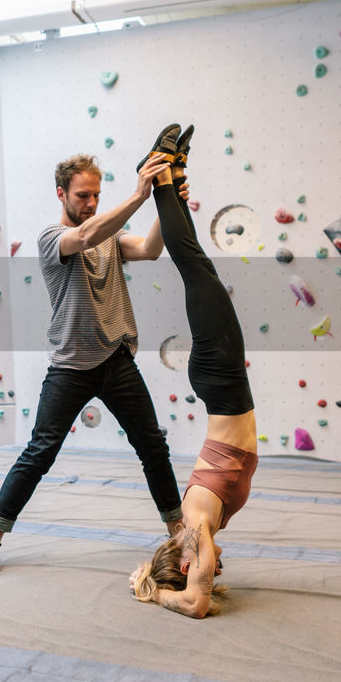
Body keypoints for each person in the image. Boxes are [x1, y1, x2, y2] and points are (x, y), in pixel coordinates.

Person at [0, 130, 193, 581]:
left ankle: (180, 535)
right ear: (62, 194)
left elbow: (148, 249)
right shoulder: (52, 238)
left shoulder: (109, 236)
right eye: (82, 195)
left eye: (96, 195)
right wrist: (138, 195)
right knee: (39, 452)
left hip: (116, 359)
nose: (90, 203)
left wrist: (172, 203)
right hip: (70, 366)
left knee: (153, 446)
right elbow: (87, 234)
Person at [129, 124, 258, 617]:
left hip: (221, 381)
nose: (214, 569)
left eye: (201, 567)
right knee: (198, 266)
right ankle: (174, 175)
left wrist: (152, 589)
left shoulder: (196, 522)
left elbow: (197, 604)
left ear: (186, 564)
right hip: (222, 384)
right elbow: (201, 588)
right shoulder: (202, 525)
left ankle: (159, 173)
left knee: (194, 266)